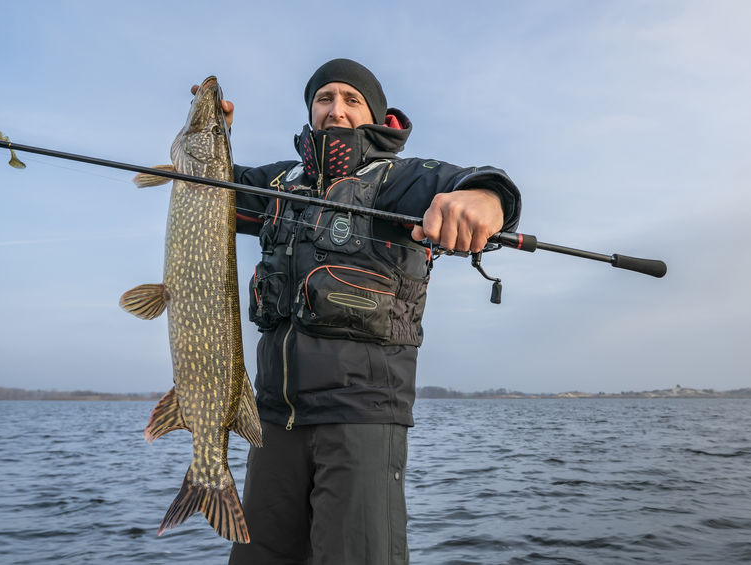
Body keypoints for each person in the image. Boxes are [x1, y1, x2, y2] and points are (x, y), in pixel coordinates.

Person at [208, 58, 521, 564]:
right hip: (271, 420)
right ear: (311, 111)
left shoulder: (404, 180)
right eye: (325, 98)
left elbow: (481, 183)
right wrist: (213, 133)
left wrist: (486, 201)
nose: (337, 110)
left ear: (373, 115)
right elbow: (204, 186)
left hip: (361, 417)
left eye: (352, 100)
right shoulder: (278, 184)